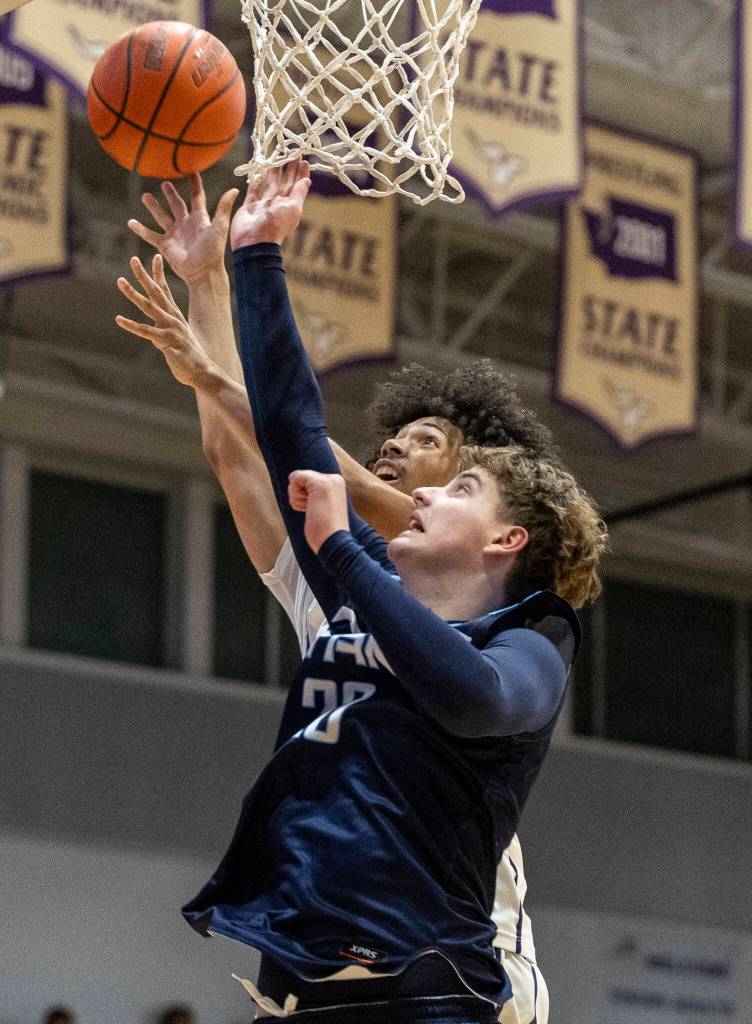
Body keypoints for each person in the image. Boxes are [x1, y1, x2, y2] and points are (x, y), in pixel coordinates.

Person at [116, 161, 607, 1024]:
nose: (402, 471)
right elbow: (269, 448)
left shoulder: (511, 627)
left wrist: (218, 374)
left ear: (501, 525)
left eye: (431, 455)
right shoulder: (355, 578)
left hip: (446, 966)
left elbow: (313, 465)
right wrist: (228, 273)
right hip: (310, 966)